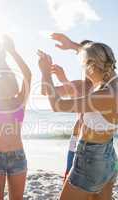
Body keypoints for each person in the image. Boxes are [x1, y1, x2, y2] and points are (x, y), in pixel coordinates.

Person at [38, 33, 118, 200]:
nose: (84, 73)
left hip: (90, 160)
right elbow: (95, 54)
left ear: (93, 65)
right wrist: (74, 46)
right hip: (109, 157)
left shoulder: (105, 95)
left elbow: (57, 105)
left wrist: (45, 72)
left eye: (84, 67)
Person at [0, 35, 31, 200]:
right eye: (4, 81)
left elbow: (28, 75)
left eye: (12, 79)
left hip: (18, 157)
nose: (10, 83)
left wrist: (12, 52)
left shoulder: (20, 101)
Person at [41, 39, 94, 182]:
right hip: (76, 143)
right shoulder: (78, 84)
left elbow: (89, 106)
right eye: (84, 62)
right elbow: (45, 91)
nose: (85, 66)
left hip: (96, 147)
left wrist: (64, 80)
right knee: (69, 182)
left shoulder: (103, 87)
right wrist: (45, 72)